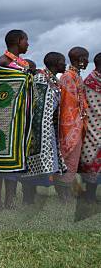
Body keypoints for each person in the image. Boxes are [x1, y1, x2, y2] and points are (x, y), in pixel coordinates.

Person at [0, 29, 34, 209]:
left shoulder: (22, 63)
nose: (28, 44)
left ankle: (10, 202)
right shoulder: (1, 62)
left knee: (15, 163)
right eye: (26, 40)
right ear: (18, 41)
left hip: (18, 120)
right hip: (2, 119)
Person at [21, 52, 67, 201]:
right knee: (34, 162)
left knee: (51, 162)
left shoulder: (53, 80)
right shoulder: (41, 79)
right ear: (55, 63)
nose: (64, 64)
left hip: (50, 129)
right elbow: (38, 108)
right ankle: (28, 197)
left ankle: (58, 195)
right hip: (38, 130)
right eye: (62, 61)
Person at [57, 47, 89, 202]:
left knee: (73, 160)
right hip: (70, 124)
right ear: (80, 59)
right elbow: (67, 105)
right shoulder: (68, 77)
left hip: (77, 123)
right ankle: (64, 194)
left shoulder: (75, 76)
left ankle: (67, 192)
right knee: (68, 158)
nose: (88, 61)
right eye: (86, 58)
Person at [80, 53, 100, 202]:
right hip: (92, 127)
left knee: (90, 161)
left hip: (91, 130)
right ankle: (90, 195)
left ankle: (90, 195)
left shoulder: (87, 82)